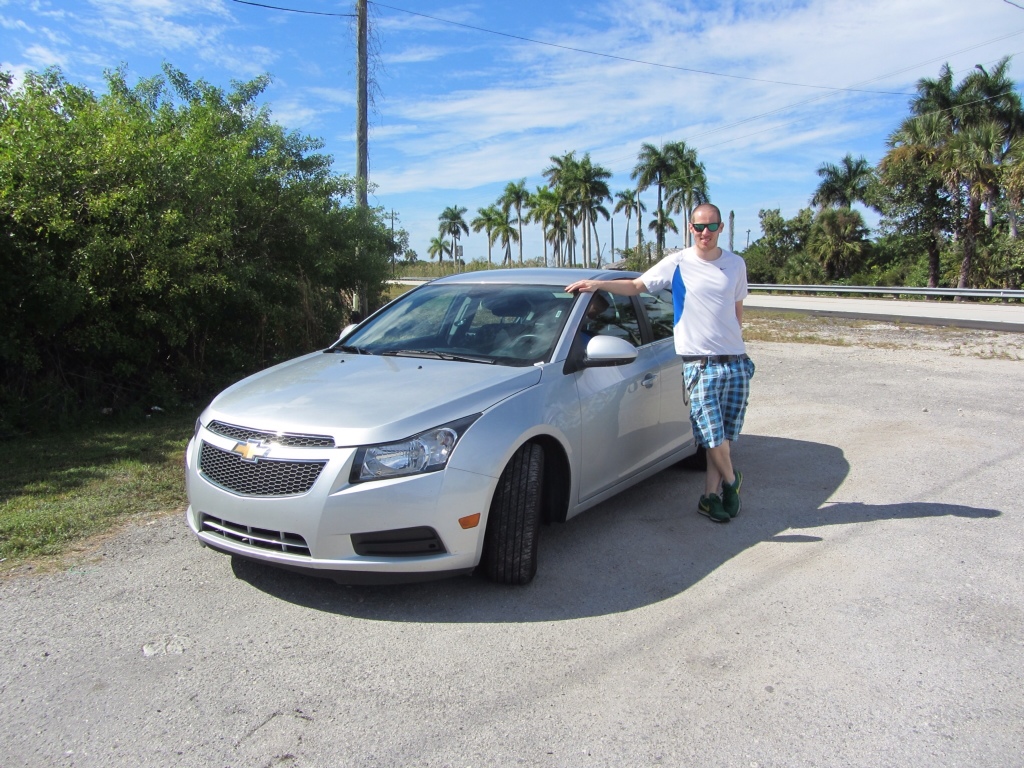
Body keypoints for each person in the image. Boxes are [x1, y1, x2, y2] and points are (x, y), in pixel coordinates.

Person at [565, 202, 754, 524]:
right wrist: (598, 284)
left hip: (735, 361)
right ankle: (733, 481)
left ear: (721, 228)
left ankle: (710, 497)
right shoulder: (678, 262)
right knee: (711, 435)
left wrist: (737, 345)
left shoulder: (735, 264)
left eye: (711, 226)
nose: (705, 232)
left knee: (723, 436)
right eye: (699, 227)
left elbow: (736, 310)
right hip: (700, 364)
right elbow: (636, 286)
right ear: (690, 228)